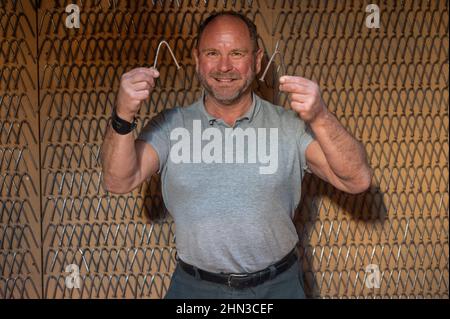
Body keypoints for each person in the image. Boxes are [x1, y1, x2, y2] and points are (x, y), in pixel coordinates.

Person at [100, 11, 372, 299]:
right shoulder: (170, 125)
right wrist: (123, 113)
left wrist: (320, 116)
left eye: (237, 53)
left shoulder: (288, 126)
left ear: (256, 60)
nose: (224, 66)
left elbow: (356, 180)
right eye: (212, 53)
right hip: (194, 290)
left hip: (277, 287)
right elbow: (118, 181)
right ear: (197, 59)